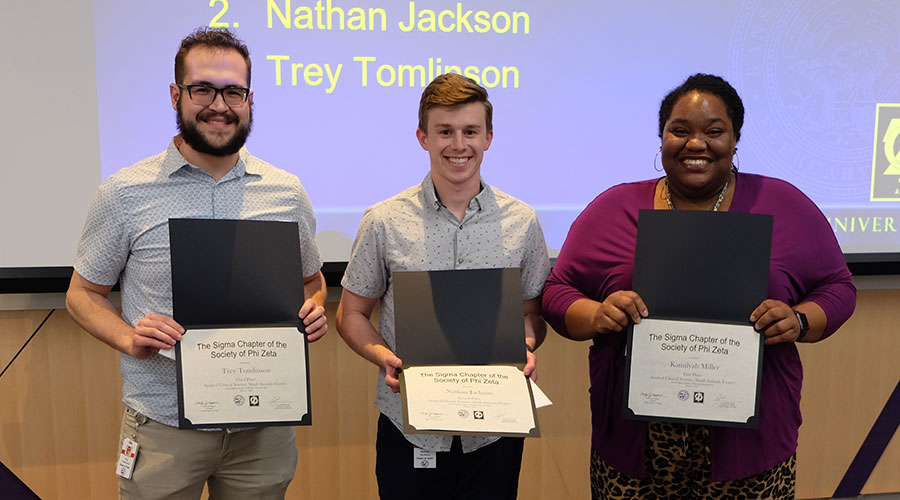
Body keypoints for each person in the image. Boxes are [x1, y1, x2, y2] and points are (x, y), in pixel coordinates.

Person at [542, 73, 856, 499]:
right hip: (636, 446)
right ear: (661, 137)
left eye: (713, 131)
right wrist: (597, 315)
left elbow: (837, 288)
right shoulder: (613, 209)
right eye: (680, 130)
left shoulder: (784, 205)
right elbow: (559, 291)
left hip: (751, 446)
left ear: (735, 139)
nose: (696, 144)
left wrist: (799, 320)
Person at [65, 27, 327, 500]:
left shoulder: (286, 192)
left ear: (250, 98)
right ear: (175, 95)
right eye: (203, 89)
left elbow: (313, 281)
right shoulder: (124, 193)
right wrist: (129, 337)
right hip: (164, 425)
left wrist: (313, 307)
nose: (219, 105)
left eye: (233, 91)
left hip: (262, 429)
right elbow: (82, 294)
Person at [336, 73, 551, 500]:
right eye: (445, 132)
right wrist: (384, 357)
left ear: (488, 137)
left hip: (495, 429)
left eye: (470, 131)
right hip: (411, 425)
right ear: (422, 137)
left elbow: (531, 315)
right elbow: (351, 315)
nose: (459, 145)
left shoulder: (522, 222)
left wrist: (524, 347)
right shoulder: (384, 221)